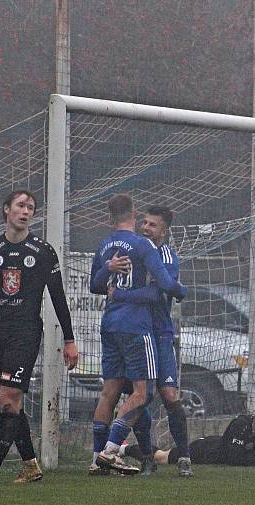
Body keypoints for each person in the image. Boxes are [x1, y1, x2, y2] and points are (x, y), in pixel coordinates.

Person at [0, 189, 79, 486]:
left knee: (8, 397)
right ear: (6, 210)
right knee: (11, 406)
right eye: (21, 206)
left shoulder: (42, 251)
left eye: (30, 207)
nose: (26, 211)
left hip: (26, 332)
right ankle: (31, 466)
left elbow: (58, 297)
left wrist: (69, 339)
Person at [88, 193, 187, 475]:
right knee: (143, 394)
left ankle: (96, 461)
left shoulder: (106, 244)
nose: (145, 226)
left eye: (151, 223)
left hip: (109, 325)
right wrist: (182, 290)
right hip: (136, 328)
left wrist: (109, 273)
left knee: (110, 392)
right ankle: (110, 450)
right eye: (142, 220)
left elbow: (95, 286)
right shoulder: (143, 245)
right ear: (133, 216)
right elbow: (165, 286)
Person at [119, 411, 255, 467]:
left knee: (161, 456)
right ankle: (123, 449)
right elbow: (233, 459)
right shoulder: (240, 425)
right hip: (204, 451)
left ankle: (123, 448)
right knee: (161, 458)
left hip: (215, 445)